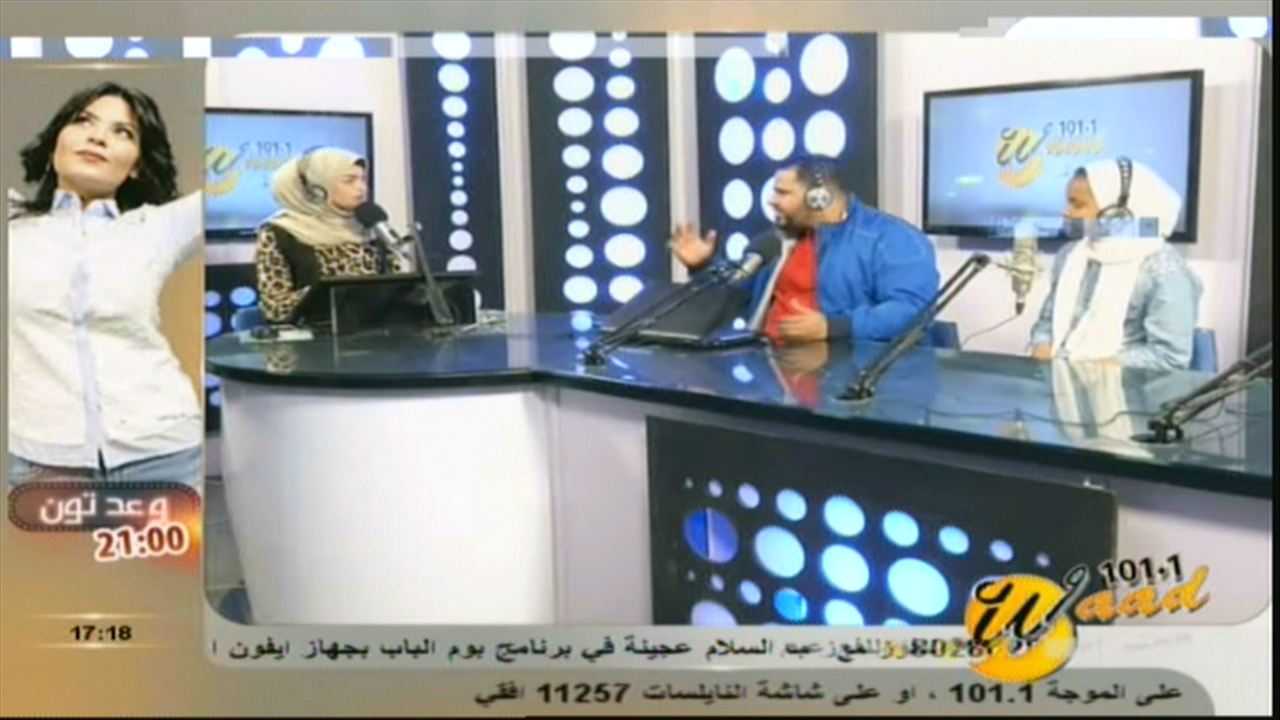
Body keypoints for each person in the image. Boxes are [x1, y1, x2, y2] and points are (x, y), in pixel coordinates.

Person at [7, 82, 203, 485]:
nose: (98, 137)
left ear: (136, 165)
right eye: (84, 121)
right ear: (55, 142)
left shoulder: (158, 226)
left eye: (123, 132)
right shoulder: (13, 225)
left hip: (165, 453)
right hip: (44, 460)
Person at [669, 155, 939, 344]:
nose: (772, 201)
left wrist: (833, 327)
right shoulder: (776, 243)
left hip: (842, 381)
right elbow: (736, 297)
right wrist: (703, 265)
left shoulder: (892, 239)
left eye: (782, 193)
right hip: (767, 374)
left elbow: (913, 311)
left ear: (819, 198)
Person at [1029, 157, 1202, 371]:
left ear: (1117, 213)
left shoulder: (1165, 271)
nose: (1065, 212)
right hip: (1060, 380)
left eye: (1077, 204)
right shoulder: (1071, 254)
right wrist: (1042, 344)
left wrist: (1100, 368)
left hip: (1126, 387)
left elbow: (1169, 357)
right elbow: (1047, 322)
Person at [254, 147, 409, 324]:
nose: (361, 188)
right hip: (314, 335)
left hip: (379, 332)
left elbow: (396, 290)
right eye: (349, 181)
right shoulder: (279, 232)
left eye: (363, 179)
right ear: (316, 189)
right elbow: (275, 307)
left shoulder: (371, 226)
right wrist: (334, 294)